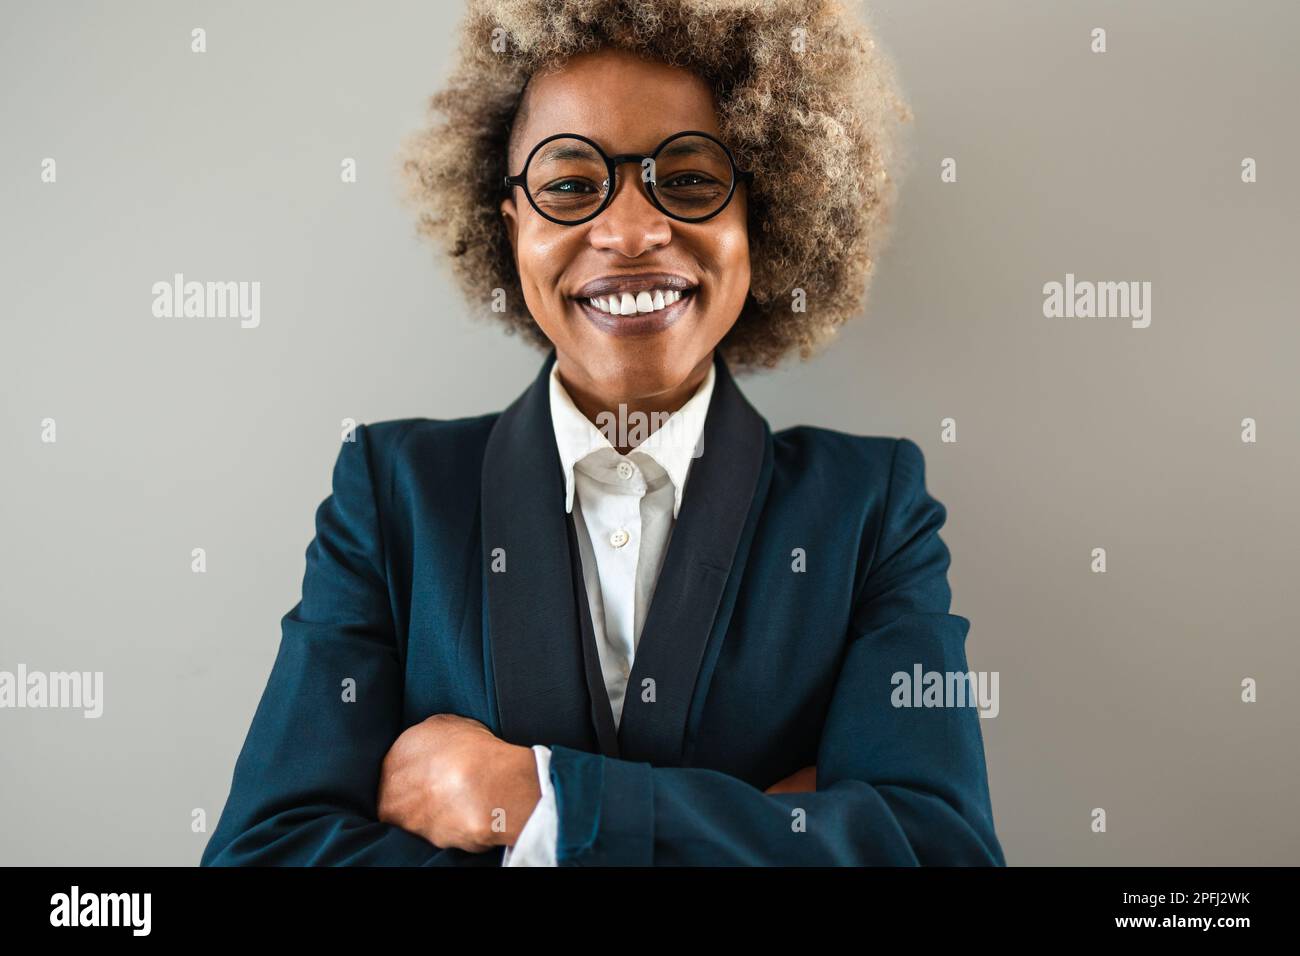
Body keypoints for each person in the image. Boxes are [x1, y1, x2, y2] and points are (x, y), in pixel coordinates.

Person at [202, 0, 1005, 866]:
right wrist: (762, 827)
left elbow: (941, 852)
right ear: (512, 228)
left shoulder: (870, 509)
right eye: (572, 185)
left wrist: (541, 804)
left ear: (762, 216)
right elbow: (263, 855)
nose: (629, 232)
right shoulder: (392, 493)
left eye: (691, 179)